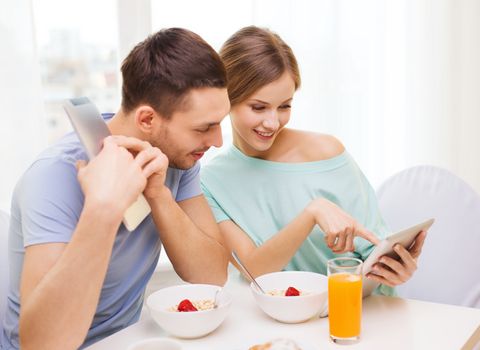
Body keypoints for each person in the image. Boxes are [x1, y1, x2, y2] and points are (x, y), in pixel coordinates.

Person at [1, 28, 231, 350]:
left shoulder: (179, 159)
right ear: (148, 119)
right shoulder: (52, 178)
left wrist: (159, 194)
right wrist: (103, 209)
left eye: (220, 123)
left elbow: (211, 276)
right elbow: (41, 344)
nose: (217, 141)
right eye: (204, 128)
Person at [201, 26, 426, 293]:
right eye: (258, 107)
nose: (273, 123)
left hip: (359, 311)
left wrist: (395, 268)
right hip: (280, 321)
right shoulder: (211, 182)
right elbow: (255, 271)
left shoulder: (326, 152)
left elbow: (373, 246)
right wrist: (311, 212)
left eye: (284, 106)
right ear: (226, 98)